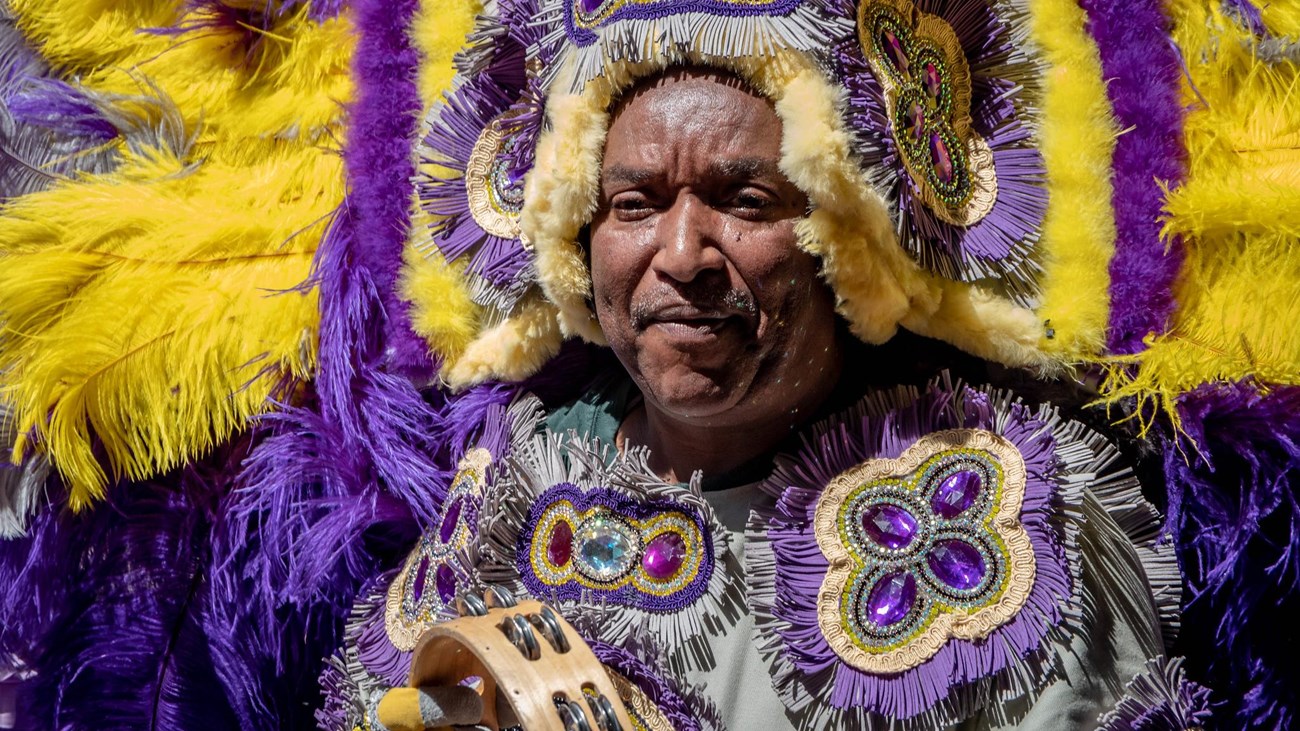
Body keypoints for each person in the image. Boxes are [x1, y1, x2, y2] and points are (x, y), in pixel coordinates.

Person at [320, 65, 1182, 731]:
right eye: (634, 204)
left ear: (845, 236)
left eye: (746, 200)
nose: (685, 252)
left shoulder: (1008, 518)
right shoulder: (518, 478)